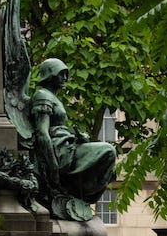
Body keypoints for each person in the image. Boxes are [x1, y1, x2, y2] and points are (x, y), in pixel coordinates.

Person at [29, 58, 115, 211]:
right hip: (59, 151)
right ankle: (84, 191)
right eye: (61, 74)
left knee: (108, 158)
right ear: (50, 74)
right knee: (108, 151)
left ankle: (80, 192)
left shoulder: (53, 98)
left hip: (67, 144)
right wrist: (53, 165)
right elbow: (42, 133)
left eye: (66, 74)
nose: (65, 78)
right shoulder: (42, 96)